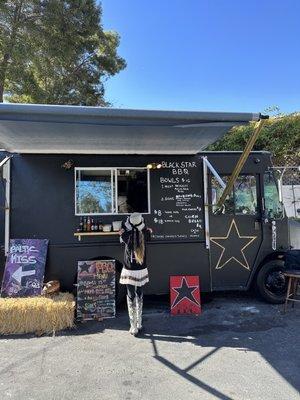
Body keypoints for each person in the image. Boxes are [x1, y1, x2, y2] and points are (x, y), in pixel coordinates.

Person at [119, 212, 152, 336]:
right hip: (141, 269)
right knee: (139, 293)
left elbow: (121, 234)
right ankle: (139, 323)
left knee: (130, 295)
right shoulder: (146, 233)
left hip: (129, 269)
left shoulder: (126, 235)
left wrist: (124, 228)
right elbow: (147, 233)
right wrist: (146, 229)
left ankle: (133, 326)